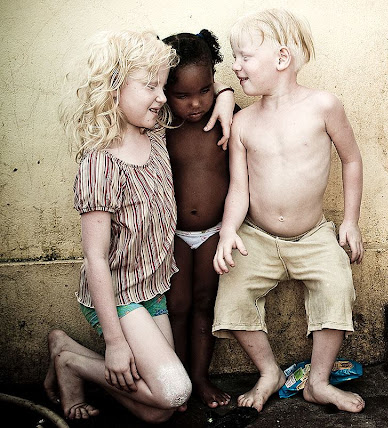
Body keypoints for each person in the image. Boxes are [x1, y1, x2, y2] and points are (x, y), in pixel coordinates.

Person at [212, 8, 365, 414]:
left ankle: (318, 381)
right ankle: (269, 372)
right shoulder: (243, 123)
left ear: (281, 59)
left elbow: (351, 159)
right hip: (257, 237)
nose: (235, 65)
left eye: (244, 57)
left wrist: (350, 221)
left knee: (337, 285)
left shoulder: (324, 106)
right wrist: (229, 232)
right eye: (233, 56)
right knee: (232, 292)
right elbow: (239, 190)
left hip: (313, 234)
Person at [45, 30, 192, 423]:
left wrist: (228, 96)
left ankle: (68, 353)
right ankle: (72, 362)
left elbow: (202, 96)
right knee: (174, 389)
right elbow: (94, 258)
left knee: (164, 410)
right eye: (150, 86)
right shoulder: (101, 164)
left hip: (152, 289)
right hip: (119, 293)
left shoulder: (155, 135)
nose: (162, 96)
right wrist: (114, 342)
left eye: (163, 85)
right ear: (113, 88)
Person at [162, 29, 238, 409]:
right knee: (176, 307)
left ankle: (200, 378)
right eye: (182, 95)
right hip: (172, 235)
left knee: (205, 305)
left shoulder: (227, 118)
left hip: (213, 233)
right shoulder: (159, 123)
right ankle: (175, 380)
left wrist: (225, 94)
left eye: (204, 91)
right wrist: (222, 92)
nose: (195, 103)